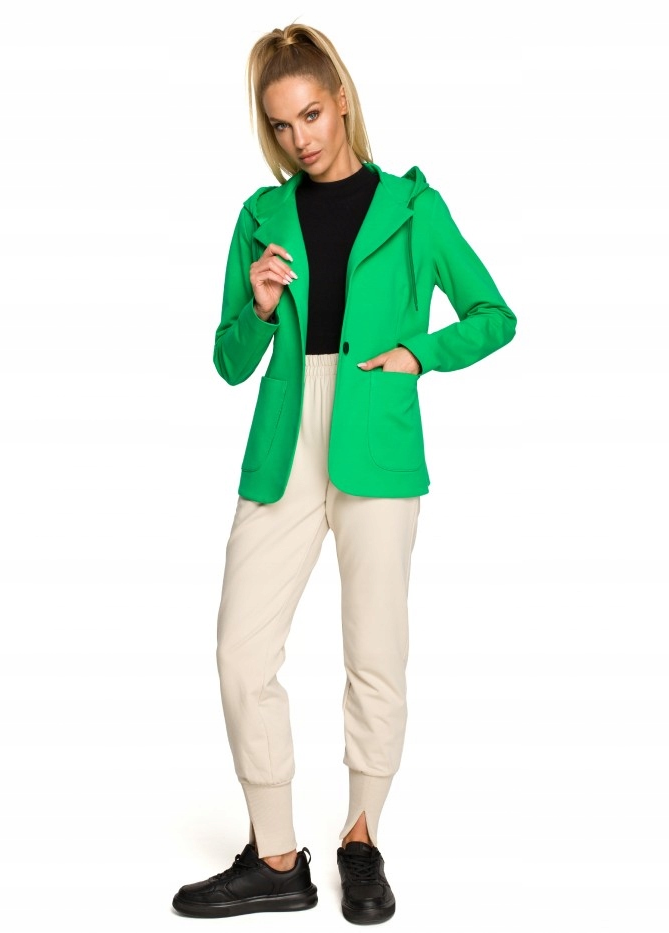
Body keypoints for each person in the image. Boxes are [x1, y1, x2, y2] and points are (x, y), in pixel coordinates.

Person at [172, 22, 517, 925]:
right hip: (284, 438)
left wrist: (420, 353)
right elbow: (228, 362)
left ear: (343, 101)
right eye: (281, 124)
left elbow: (494, 314)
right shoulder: (260, 216)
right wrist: (258, 305)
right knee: (241, 649)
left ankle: (362, 838)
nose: (301, 138)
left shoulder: (412, 207)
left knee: (375, 649)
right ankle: (276, 856)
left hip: (377, 431)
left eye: (313, 115)